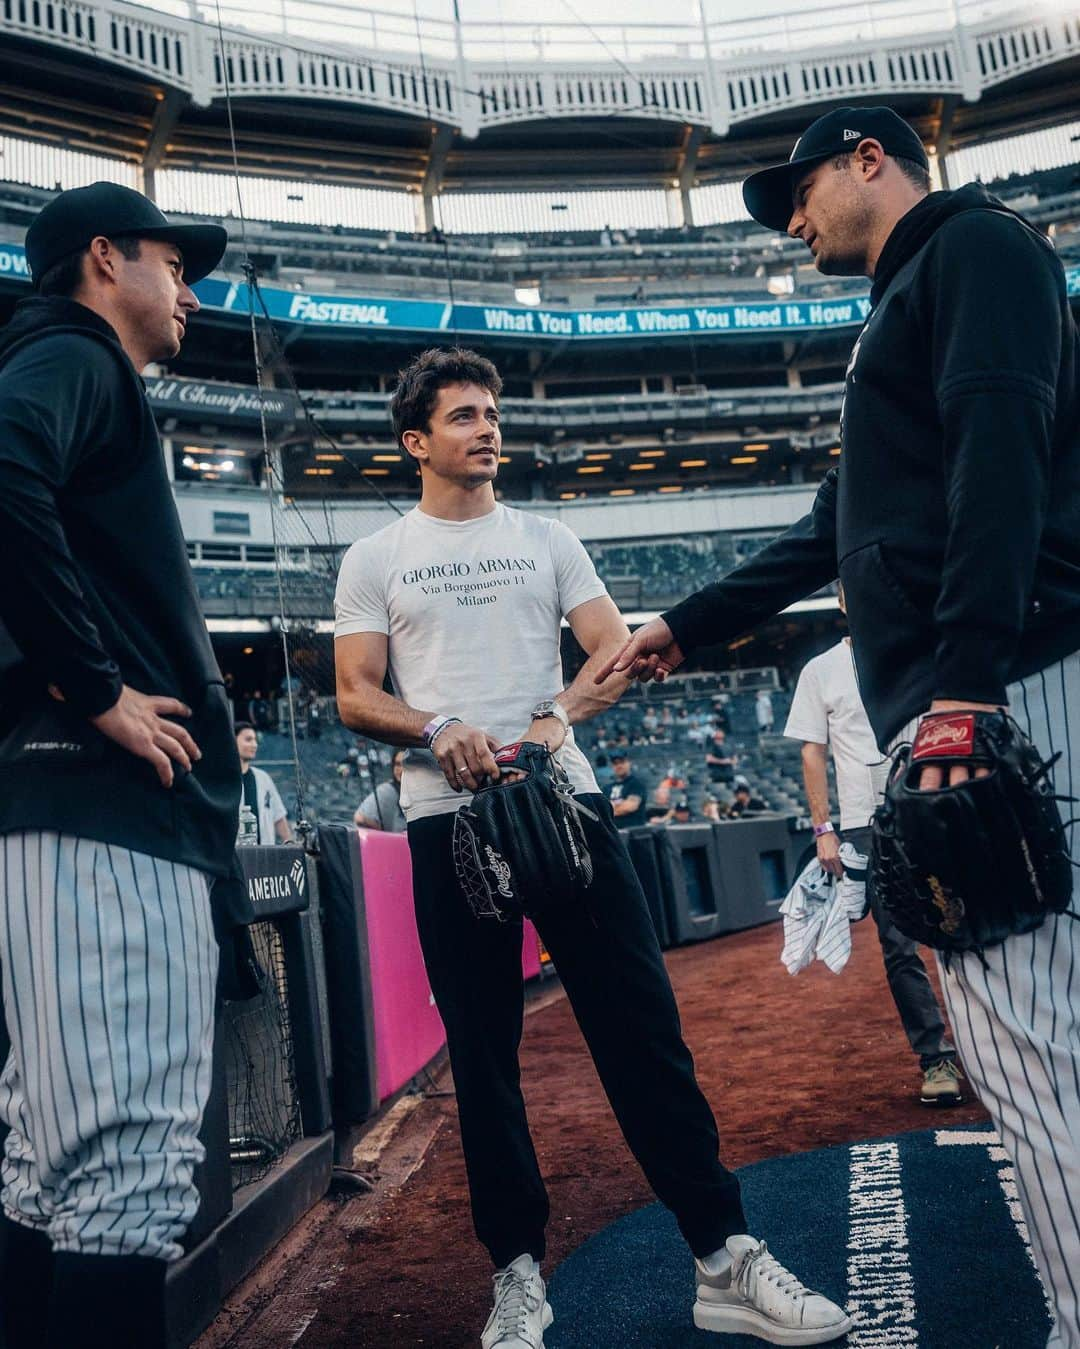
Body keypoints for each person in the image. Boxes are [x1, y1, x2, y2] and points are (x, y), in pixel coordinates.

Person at [599, 104, 1080, 1349]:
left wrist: (965, 683)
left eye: (798, 191)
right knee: (1043, 1034)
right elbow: (831, 526)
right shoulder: (904, 304)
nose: (792, 218)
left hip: (1009, 687)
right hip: (1005, 685)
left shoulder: (972, 250)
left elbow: (1002, 451)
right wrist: (686, 627)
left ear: (872, 159)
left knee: (1025, 1050)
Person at [334, 347, 850, 1349]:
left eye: (492, 411)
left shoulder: (549, 535)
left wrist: (555, 718)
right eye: (463, 416)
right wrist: (438, 728)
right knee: (484, 1059)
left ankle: (723, 1254)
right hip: (448, 823)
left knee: (643, 1031)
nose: (487, 427)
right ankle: (518, 1278)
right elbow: (356, 692)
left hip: (564, 803)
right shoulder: (375, 556)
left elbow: (614, 652)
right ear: (416, 441)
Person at [0, 183, 236, 1348]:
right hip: (103, 818)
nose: (191, 289)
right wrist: (93, 686)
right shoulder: (80, 355)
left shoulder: (63, 364)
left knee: (44, 1161)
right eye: (172, 262)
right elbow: (1, 462)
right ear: (104, 258)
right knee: (124, 1166)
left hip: (64, 813)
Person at [784, 605, 962, 1104]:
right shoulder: (820, 669)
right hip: (866, 822)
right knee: (898, 944)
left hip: (932, 807)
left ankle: (1002, 1050)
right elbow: (810, 751)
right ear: (845, 601)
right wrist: (824, 828)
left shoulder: (918, 651)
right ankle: (936, 1057)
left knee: (964, 928)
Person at [235, 721, 293, 844]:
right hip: (235, 856)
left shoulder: (263, 778)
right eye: (248, 739)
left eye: (255, 740)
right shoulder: (223, 780)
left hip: (265, 854)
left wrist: (290, 845)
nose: (254, 744)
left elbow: (279, 817)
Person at [354, 747, 407, 832]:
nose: (401, 770)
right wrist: (386, 832)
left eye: (405, 765)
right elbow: (360, 818)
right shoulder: (387, 790)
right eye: (397, 764)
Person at [605, 750, 647, 829]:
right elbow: (602, 811)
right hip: (614, 832)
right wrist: (619, 805)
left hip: (633, 833)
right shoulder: (607, 788)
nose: (619, 766)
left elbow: (629, 807)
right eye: (615, 763)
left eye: (622, 762)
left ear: (629, 763)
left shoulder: (636, 784)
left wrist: (610, 808)